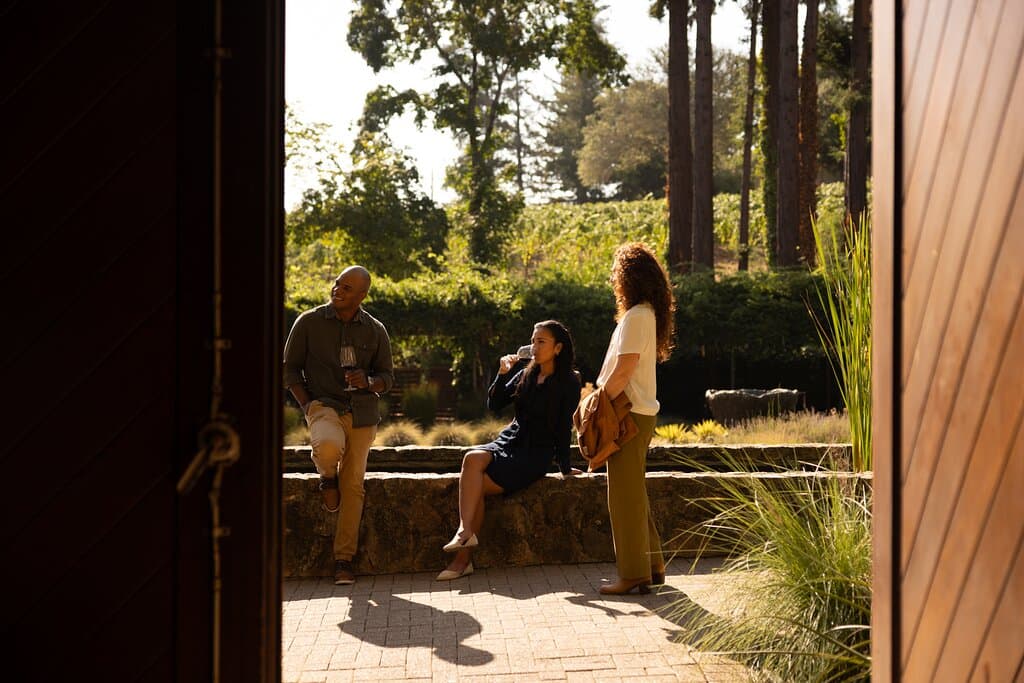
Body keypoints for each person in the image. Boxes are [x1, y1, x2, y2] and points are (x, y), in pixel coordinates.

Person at [437, 320, 583, 581]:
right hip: (509, 442)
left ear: (558, 348)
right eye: (533, 341)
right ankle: (464, 531)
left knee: (477, 484)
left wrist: (564, 465)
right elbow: (494, 405)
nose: (534, 347)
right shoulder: (525, 373)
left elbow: (563, 426)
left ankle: (462, 559)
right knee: (472, 458)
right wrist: (502, 373)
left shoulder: (569, 382)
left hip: (534, 454)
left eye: (541, 342)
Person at [283, 265, 394, 586]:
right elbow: (290, 371)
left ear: (361, 296)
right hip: (323, 405)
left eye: (346, 288)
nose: (337, 290)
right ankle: (326, 476)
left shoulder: (375, 330)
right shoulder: (309, 322)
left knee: (354, 486)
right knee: (328, 445)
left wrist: (369, 381)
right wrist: (307, 405)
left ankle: (343, 559)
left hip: (362, 413)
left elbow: (388, 378)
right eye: (336, 284)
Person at [594, 242, 675, 595]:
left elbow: (624, 368)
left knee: (622, 497)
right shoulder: (644, 314)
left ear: (629, 278)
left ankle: (633, 574)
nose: (616, 281)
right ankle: (653, 564)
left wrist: (598, 403)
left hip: (627, 413)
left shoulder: (638, 316)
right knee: (633, 492)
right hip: (636, 413)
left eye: (618, 275)